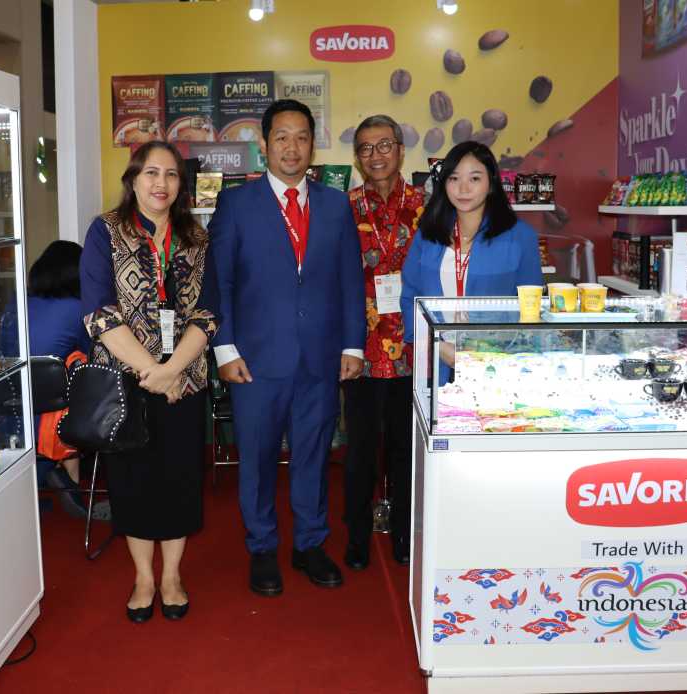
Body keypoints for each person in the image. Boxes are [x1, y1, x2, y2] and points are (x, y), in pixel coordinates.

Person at [205, 99, 366, 597]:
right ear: (264, 144)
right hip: (254, 361)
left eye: (301, 137)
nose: (291, 147)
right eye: (281, 137)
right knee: (255, 458)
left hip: (320, 357)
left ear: (312, 145)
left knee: (313, 456)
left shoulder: (335, 205)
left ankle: (310, 544)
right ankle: (261, 547)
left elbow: (349, 281)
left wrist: (353, 345)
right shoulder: (236, 205)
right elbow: (219, 282)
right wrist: (224, 350)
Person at [80, 141, 217, 623]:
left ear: (182, 184)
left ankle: (172, 575)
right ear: (133, 179)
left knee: (180, 479)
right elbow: (99, 314)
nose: (161, 183)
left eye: (172, 174)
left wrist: (174, 369)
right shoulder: (105, 231)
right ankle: (143, 576)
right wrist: (154, 374)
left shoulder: (196, 237)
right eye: (151, 173)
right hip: (126, 382)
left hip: (185, 381)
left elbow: (208, 312)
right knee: (132, 481)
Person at [343, 115, 425, 570]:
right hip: (361, 348)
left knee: (405, 449)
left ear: (400, 150)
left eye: (384, 145)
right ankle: (356, 535)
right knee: (359, 451)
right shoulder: (344, 208)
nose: (376, 155)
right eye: (366, 148)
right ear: (357, 158)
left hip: (414, 346)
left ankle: (404, 533)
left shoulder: (427, 205)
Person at [401, 141, 543, 353]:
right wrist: (436, 346)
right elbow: (411, 296)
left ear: (491, 183)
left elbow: (531, 307)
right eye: (454, 178)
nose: (463, 188)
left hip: (498, 358)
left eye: (474, 178)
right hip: (438, 358)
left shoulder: (520, 236)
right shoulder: (428, 234)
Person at [0, 241, 100, 519]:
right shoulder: (79, 309)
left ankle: (44, 478)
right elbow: (90, 355)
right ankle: (70, 483)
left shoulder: (15, 304)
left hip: (11, 407)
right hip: (56, 416)